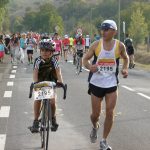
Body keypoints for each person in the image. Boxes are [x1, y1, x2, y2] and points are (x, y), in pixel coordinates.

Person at [83, 19, 129, 150]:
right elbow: (85, 59)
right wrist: (89, 66)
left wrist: (125, 69)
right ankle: (94, 126)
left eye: (106, 29)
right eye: (102, 29)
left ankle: (104, 140)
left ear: (114, 31)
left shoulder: (120, 46)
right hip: (96, 83)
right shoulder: (96, 45)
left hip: (111, 83)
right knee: (95, 115)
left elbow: (126, 58)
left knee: (110, 112)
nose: (103, 32)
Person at [30, 39, 63, 133]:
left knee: (53, 101)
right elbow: (35, 72)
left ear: (52, 52)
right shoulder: (38, 60)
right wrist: (35, 82)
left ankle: (53, 119)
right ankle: (36, 121)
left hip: (51, 82)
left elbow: (58, 72)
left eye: (47, 50)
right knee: (37, 99)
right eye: (42, 50)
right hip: (40, 82)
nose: (44, 52)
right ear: (40, 51)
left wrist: (60, 82)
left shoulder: (54, 60)